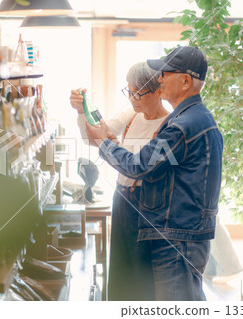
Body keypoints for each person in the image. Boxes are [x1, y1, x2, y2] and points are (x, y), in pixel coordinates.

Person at [85, 46, 224, 301]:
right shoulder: (194, 118)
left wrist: (105, 143)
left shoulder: (183, 125)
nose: (160, 79)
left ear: (185, 81)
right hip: (180, 234)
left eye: (165, 73)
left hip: (177, 237)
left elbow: (139, 166)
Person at [70, 62, 169, 300]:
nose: (133, 98)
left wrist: (112, 143)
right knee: (120, 268)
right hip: (122, 196)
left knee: (140, 270)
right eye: (129, 91)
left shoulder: (169, 126)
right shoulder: (131, 114)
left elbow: (140, 166)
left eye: (138, 92)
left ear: (159, 91)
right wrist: (81, 110)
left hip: (148, 204)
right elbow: (94, 137)